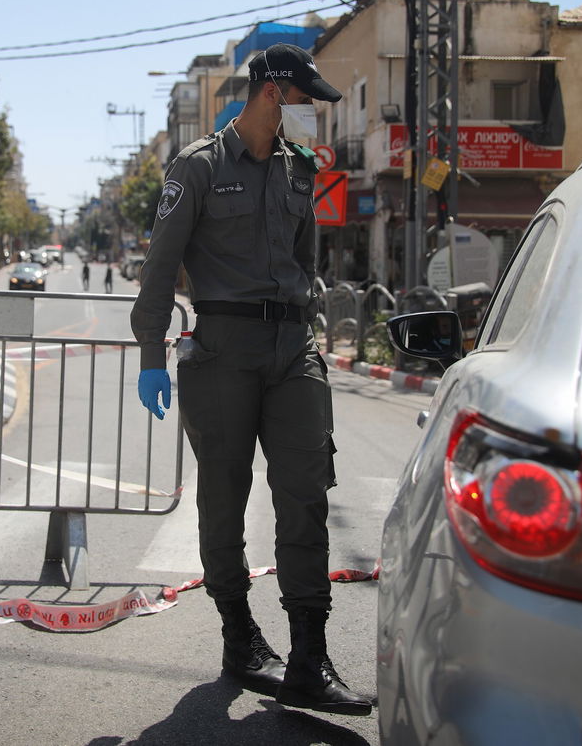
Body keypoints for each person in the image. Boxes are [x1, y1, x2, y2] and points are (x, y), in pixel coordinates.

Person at [129, 43, 370, 716]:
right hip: (223, 350)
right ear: (272, 93)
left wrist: (308, 328)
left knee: (306, 493)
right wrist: (151, 355)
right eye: (305, 99)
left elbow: (304, 262)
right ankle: (239, 637)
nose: (311, 112)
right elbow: (160, 265)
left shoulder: (300, 169)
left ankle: (310, 659)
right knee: (224, 499)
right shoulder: (198, 165)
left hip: (291, 349)